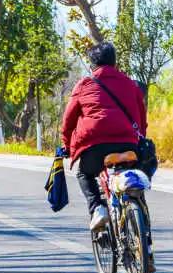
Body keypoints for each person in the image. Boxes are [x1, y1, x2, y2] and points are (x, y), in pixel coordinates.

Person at [60, 42, 147, 232]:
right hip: (128, 143)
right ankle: (144, 237)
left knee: (84, 173)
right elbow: (141, 119)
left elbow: (68, 121)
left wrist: (66, 145)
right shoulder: (130, 84)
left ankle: (97, 208)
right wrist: (139, 140)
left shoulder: (84, 84)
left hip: (95, 145)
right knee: (135, 183)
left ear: (92, 64)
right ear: (114, 61)